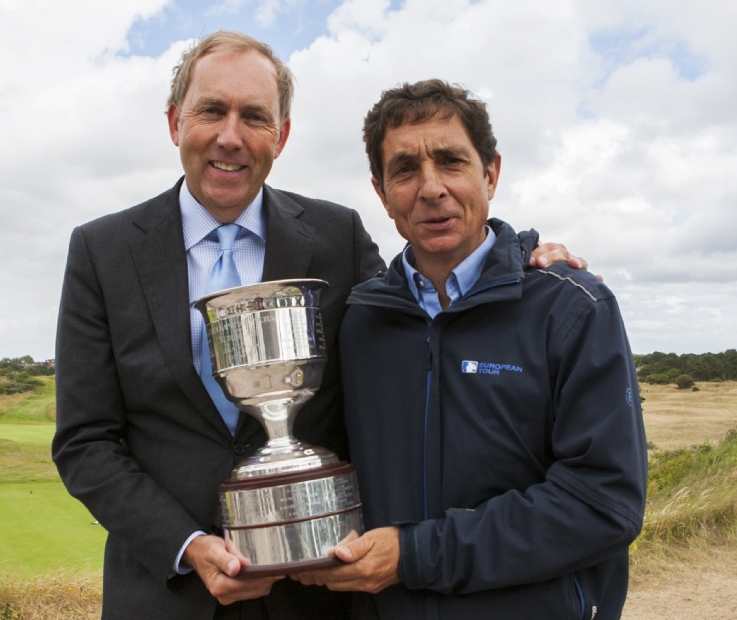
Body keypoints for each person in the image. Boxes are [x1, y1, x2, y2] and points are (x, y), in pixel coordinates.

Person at [52, 32, 587, 620]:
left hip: (316, 597)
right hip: (164, 595)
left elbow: (421, 311)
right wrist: (185, 547)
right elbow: (85, 441)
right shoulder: (101, 252)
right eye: (212, 110)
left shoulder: (339, 237)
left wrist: (518, 257)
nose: (231, 136)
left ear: (280, 137)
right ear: (176, 121)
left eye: (254, 116)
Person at [293, 80, 648, 620]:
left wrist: (414, 555)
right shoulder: (359, 319)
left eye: (451, 161)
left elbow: (604, 503)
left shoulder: (573, 307)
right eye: (405, 169)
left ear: (491, 173)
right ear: (381, 191)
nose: (431, 187)